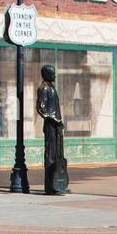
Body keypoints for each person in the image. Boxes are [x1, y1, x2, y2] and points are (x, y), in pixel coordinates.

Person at [35, 65, 69, 195]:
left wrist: (59, 121)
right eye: (52, 74)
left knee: (58, 155)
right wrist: (54, 119)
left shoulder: (51, 87)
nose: (54, 76)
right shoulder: (43, 88)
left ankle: (58, 183)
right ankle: (50, 186)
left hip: (57, 125)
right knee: (50, 154)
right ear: (46, 74)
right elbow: (41, 108)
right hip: (51, 126)